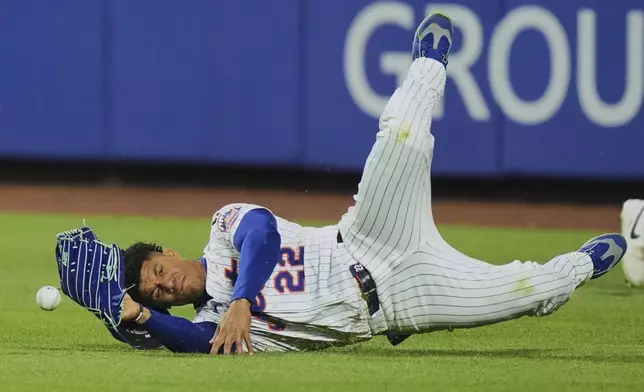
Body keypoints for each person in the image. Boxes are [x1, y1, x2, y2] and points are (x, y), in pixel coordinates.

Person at [117, 12, 628, 355]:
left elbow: (263, 235)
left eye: (159, 270)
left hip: (369, 235)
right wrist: (140, 317)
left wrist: (243, 298)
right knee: (528, 290)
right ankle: (580, 263)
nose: (166, 283)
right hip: (404, 302)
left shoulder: (221, 228)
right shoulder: (212, 324)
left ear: (170, 251)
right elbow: (192, 341)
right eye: (158, 291)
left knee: (401, 137)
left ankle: (428, 63)